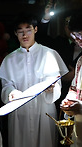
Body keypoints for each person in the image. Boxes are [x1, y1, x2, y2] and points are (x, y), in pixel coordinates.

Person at [0, 13, 68, 147]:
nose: (25, 35)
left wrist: (52, 89)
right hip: (20, 115)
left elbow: (57, 84)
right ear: (15, 34)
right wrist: (11, 92)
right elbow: (6, 85)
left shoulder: (49, 54)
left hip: (44, 112)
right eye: (21, 32)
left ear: (35, 29)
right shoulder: (10, 59)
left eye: (28, 30)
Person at [61, 11, 82, 147]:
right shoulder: (80, 60)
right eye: (75, 36)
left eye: (80, 35)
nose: (78, 40)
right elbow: (75, 87)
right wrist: (69, 99)